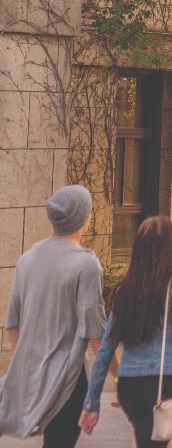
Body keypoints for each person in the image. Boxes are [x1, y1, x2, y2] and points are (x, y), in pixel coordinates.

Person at [79, 216, 172, 447]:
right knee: (155, 439)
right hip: (159, 384)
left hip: (128, 384)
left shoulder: (124, 290)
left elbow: (105, 350)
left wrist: (92, 403)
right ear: (170, 248)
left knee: (152, 438)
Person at [0, 186, 105, 447]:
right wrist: (116, 376)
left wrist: (28, 362)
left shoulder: (27, 259)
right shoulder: (86, 264)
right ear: (85, 218)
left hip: (31, 370)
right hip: (68, 380)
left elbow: (12, 323)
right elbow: (95, 333)